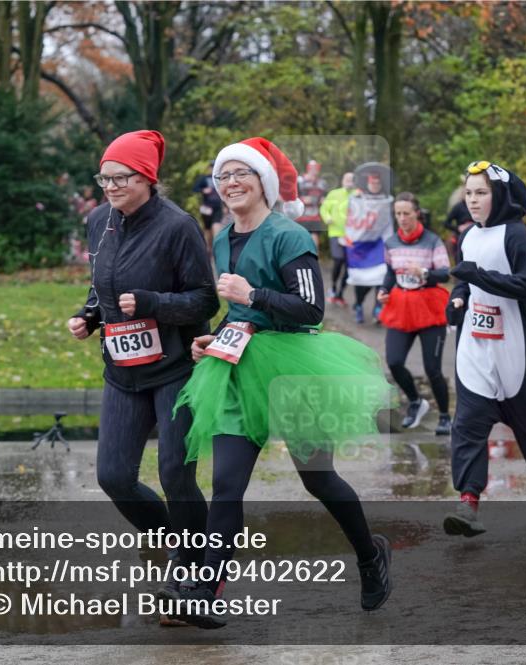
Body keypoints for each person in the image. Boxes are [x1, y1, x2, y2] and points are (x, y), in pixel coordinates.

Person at [169, 137, 395, 627]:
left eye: (240, 173)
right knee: (227, 485)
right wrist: (212, 338)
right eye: (223, 175)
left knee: (317, 479)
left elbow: (311, 309)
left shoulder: (289, 235)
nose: (230, 183)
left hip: (294, 364)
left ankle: (369, 555)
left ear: (263, 183)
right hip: (235, 366)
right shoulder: (225, 237)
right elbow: (240, 308)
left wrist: (255, 293)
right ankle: (206, 592)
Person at [66, 130, 218, 595]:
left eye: (120, 178)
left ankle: (194, 571)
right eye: (104, 178)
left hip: (175, 367)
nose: (110, 187)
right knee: (113, 477)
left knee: (175, 472)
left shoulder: (178, 226)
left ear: (147, 177)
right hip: (122, 371)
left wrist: (153, 302)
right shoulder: (99, 222)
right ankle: (182, 543)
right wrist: (89, 315)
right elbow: (103, 283)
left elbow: (204, 300)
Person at [442, 161, 526, 538]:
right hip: (475, 347)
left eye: (481, 193)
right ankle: (468, 503)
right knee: (468, 424)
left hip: (515, 348)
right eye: (469, 193)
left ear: (499, 196)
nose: (473, 200)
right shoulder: (468, 237)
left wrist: (478, 277)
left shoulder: (516, 236)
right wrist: (458, 298)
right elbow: (465, 280)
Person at [376, 192, 452, 435]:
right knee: (395, 362)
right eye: (398, 214)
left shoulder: (432, 241)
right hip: (401, 307)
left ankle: (444, 416)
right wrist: (383, 290)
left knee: (433, 369)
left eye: (406, 213)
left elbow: (445, 273)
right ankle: (416, 402)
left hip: (429, 307)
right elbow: (390, 272)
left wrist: (423, 272)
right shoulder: (391, 243)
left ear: (416, 213)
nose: (402, 218)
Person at [346, 163, 395, 325]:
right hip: (359, 244)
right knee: (361, 280)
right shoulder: (356, 199)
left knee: (381, 275)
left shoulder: (386, 201)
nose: (375, 185)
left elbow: (387, 223)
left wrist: (390, 243)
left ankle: (377, 308)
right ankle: (359, 304)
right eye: (372, 182)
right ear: (367, 183)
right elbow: (349, 218)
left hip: (378, 243)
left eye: (377, 183)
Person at [321, 172, 355, 306]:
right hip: (335, 233)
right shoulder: (334, 194)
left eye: (352, 180)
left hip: (352, 236)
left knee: (349, 266)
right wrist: (327, 217)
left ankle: (340, 293)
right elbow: (324, 209)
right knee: (338, 259)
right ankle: (333, 289)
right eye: (347, 179)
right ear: (342, 180)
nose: (349, 182)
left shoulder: (358, 195)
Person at [296, 159, 328, 252]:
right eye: (312, 168)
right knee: (300, 239)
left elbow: (324, 198)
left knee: (314, 238)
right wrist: (302, 200)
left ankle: (314, 260)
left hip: (314, 216)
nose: (314, 170)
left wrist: (315, 200)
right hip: (301, 216)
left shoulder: (321, 183)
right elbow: (291, 196)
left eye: (316, 167)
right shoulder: (300, 180)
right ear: (308, 168)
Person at [193, 160, 225, 254]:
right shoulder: (203, 179)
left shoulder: (220, 178)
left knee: (216, 227)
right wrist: (203, 190)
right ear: (209, 168)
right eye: (211, 166)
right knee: (207, 231)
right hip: (206, 208)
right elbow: (195, 189)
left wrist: (226, 206)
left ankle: (218, 251)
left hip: (218, 207)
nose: (212, 168)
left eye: (214, 166)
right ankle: (208, 250)